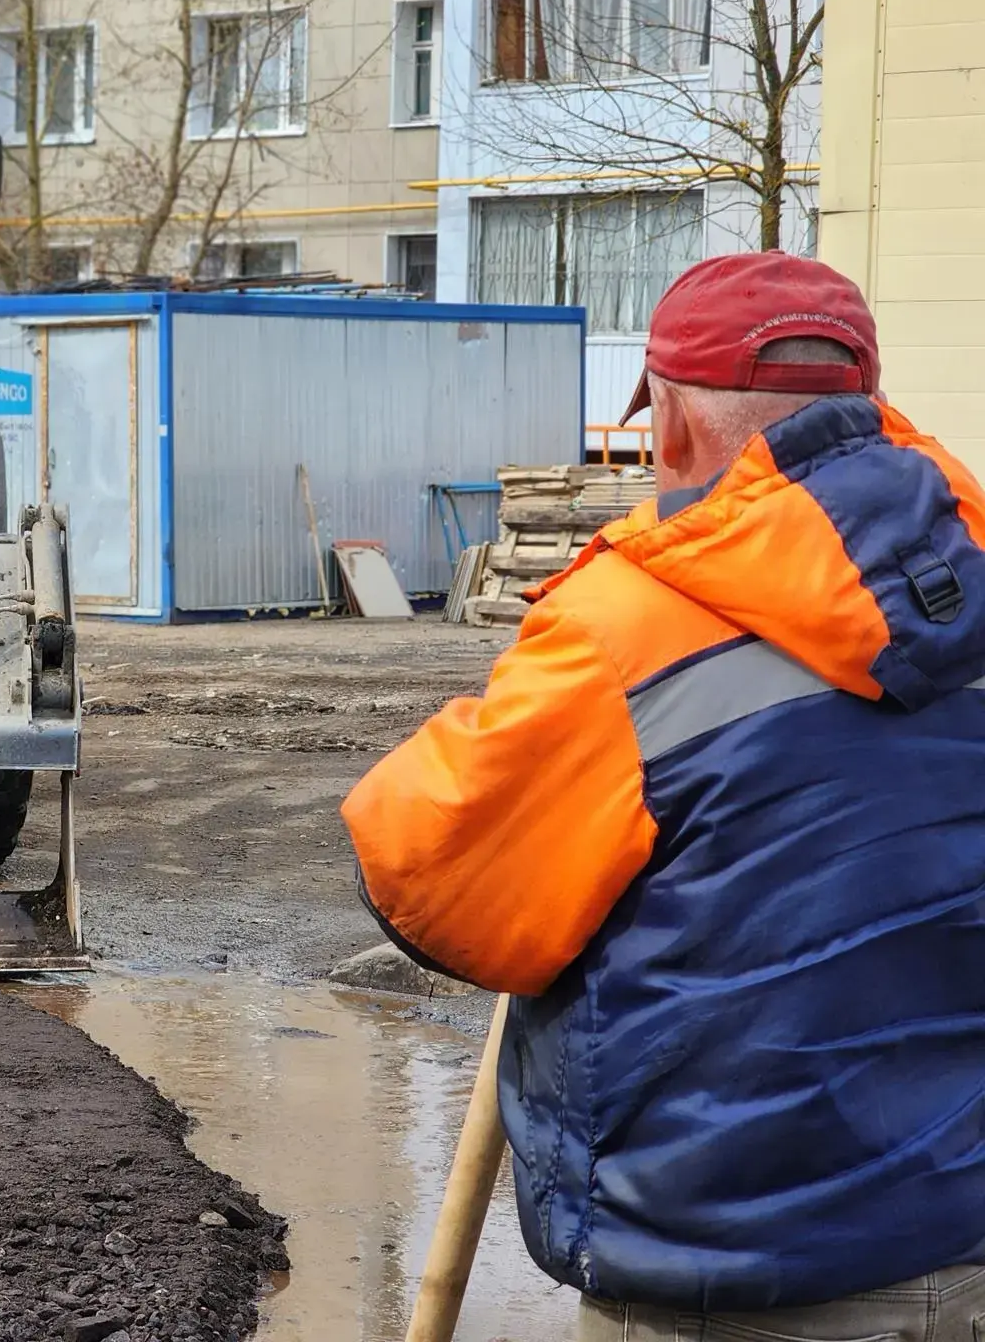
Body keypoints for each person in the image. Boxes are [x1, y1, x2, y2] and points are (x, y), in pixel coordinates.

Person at [342, 251, 985, 1340]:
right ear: (878, 411)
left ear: (672, 422)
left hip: (733, 1270)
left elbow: (427, 875)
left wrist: (509, 730)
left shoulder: (619, 631)